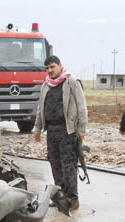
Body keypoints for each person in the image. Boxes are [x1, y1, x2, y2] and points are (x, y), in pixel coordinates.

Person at [34, 55, 87, 211]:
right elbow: (40, 108)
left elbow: (81, 106)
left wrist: (81, 129)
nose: (50, 71)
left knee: (68, 164)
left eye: (52, 67)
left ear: (60, 66)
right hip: (51, 131)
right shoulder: (46, 85)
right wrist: (37, 128)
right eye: (47, 68)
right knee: (55, 163)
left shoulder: (71, 82)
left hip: (67, 130)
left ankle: (73, 198)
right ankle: (61, 196)